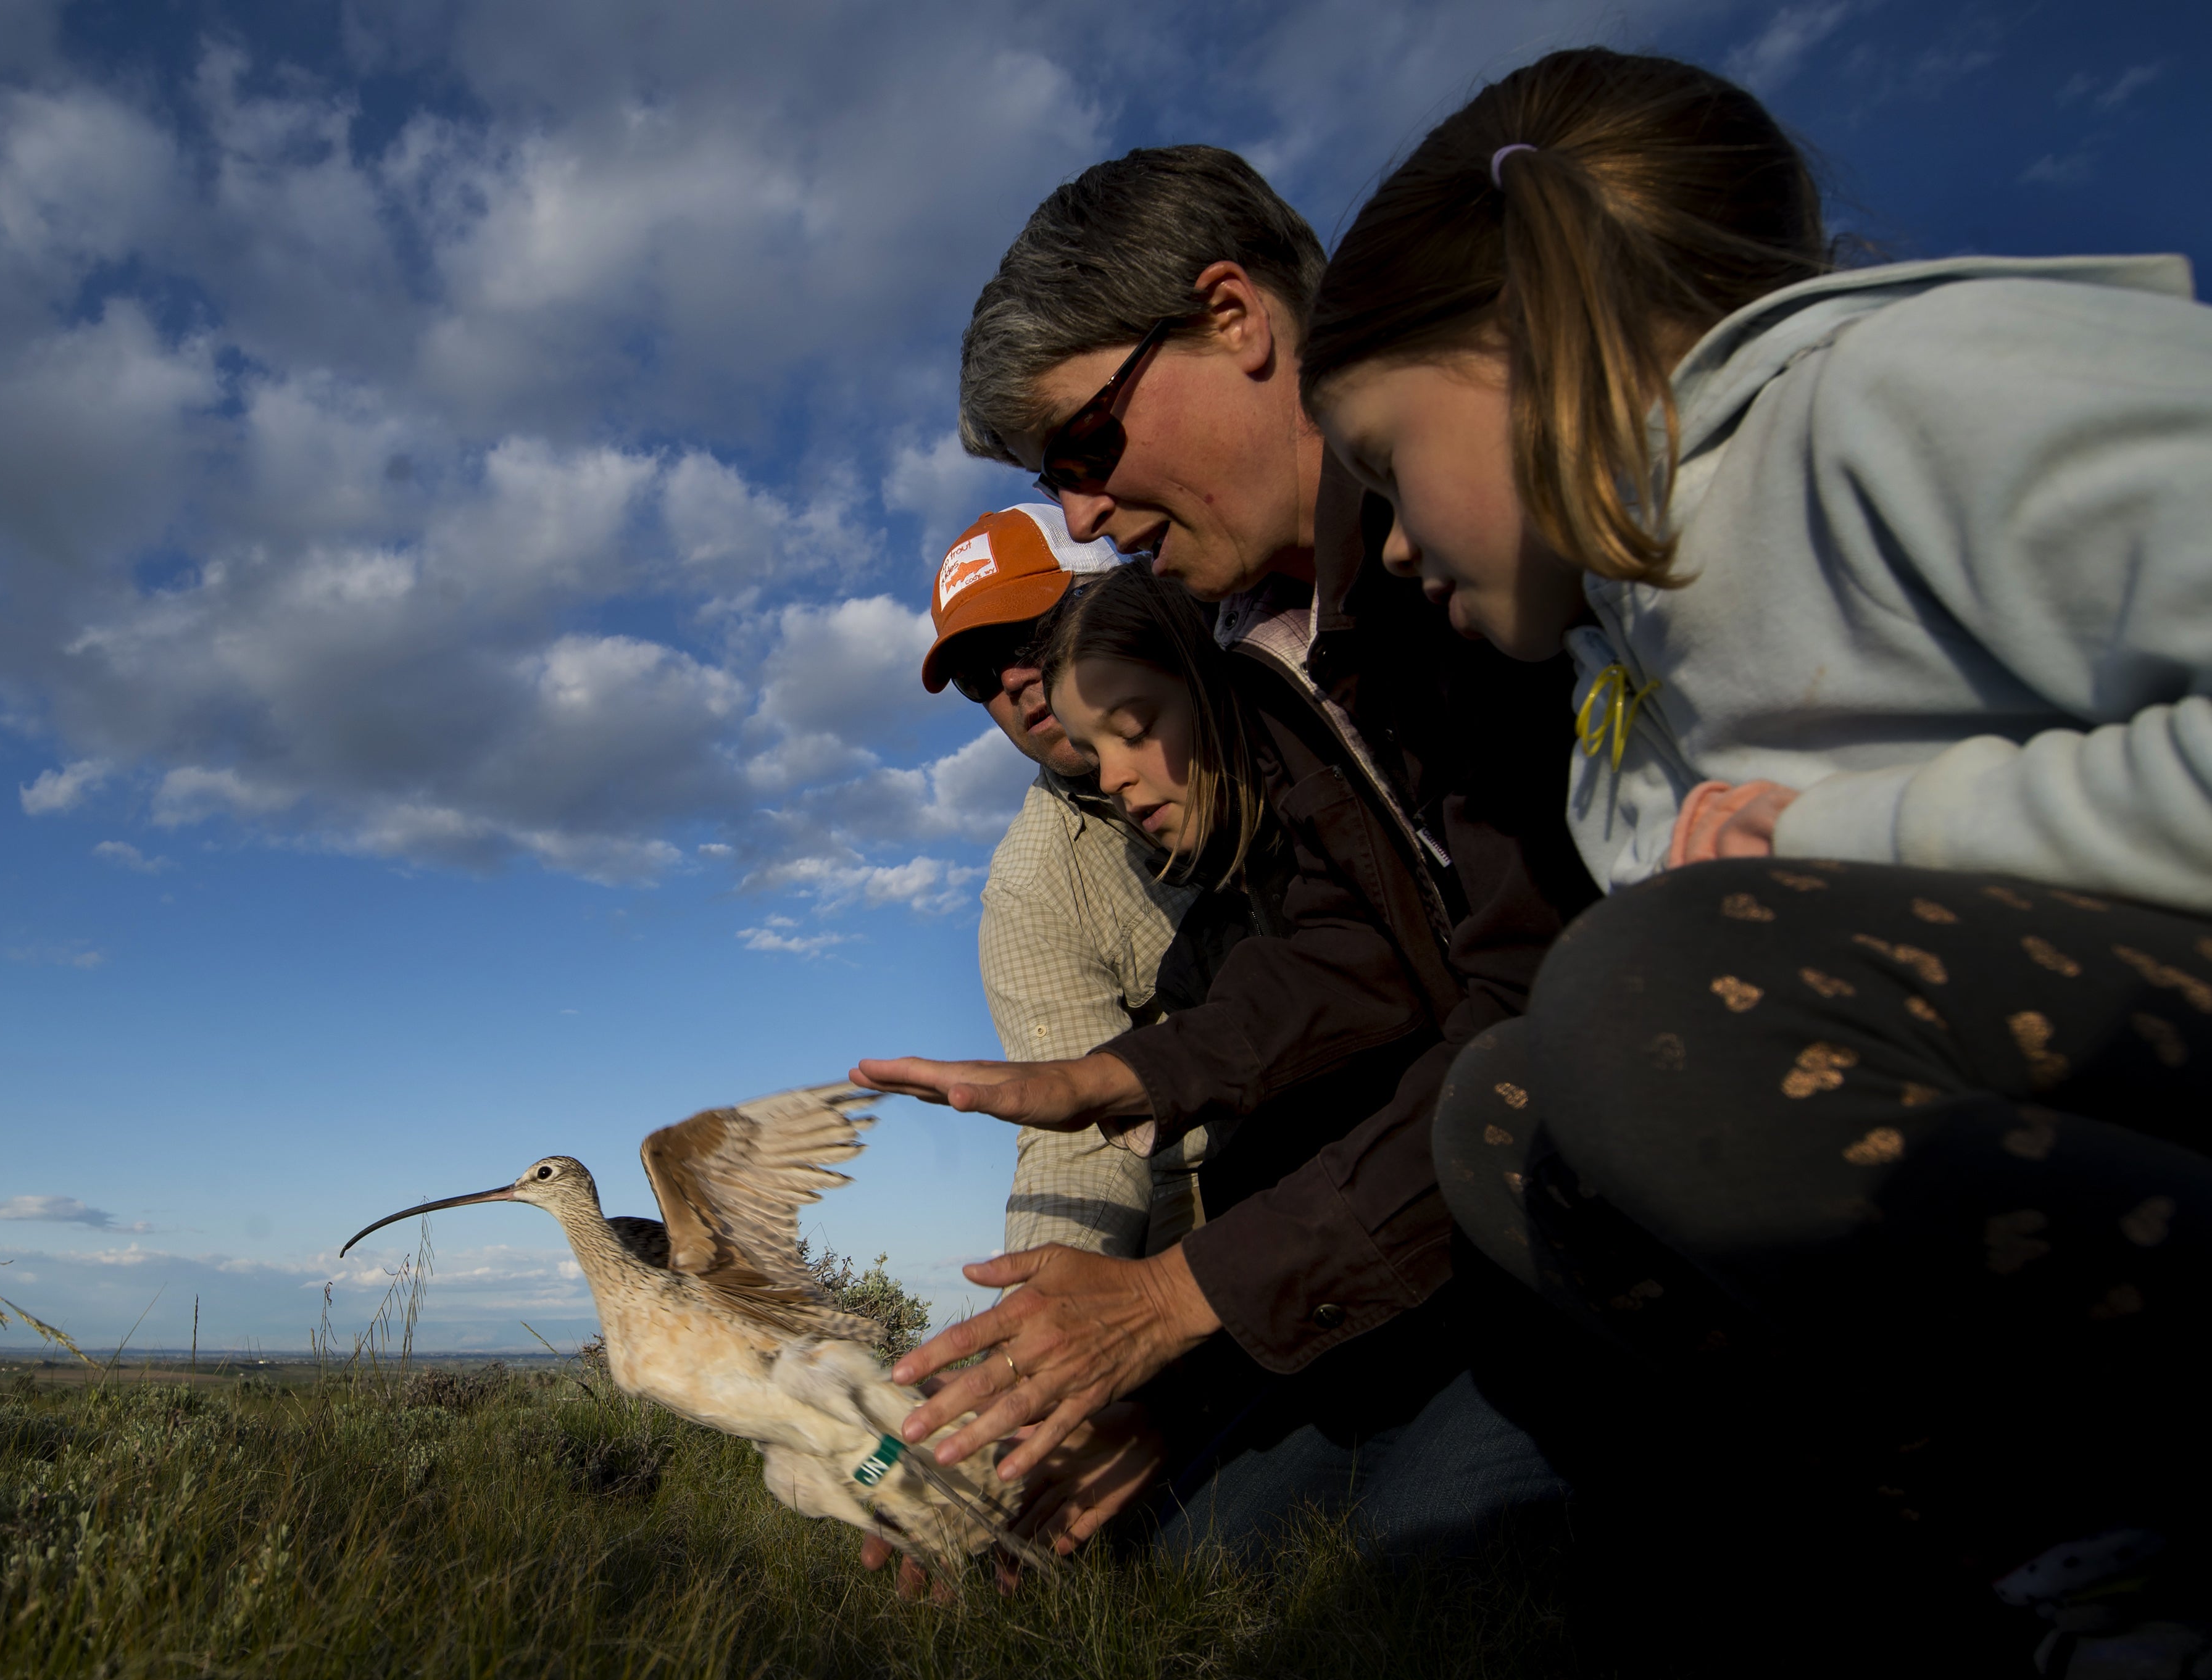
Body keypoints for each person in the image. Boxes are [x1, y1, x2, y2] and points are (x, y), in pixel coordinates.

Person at [1295, 44, 2212, 1665]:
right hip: (2077, 1087)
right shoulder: (1618, 685)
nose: (1381, 543)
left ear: (1525, 339)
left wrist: (1849, 837)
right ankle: (2074, 1571)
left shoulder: (1901, 397)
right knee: (1511, 1110)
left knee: (1650, 988)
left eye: (1382, 463)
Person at [854, 144, 1596, 1561]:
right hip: (1375, 1210)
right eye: (984, 678)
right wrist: (1059, 1347)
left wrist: (1177, 1304)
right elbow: (1330, 965)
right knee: (1205, 1545)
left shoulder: (1423, 565)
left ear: (1237, 319)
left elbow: (1519, 995)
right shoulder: (1078, 842)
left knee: (1440, 1542)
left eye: (1083, 451)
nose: (1080, 509)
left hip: (1538, 1188)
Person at [920, 502, 1214, 1260]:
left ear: (1119, 594)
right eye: (982, 672)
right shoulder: (1030, 888)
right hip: (1220, 1178)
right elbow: (1078, 1137)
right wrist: (1042, 1299)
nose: (1016, 678)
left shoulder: (1277, 686)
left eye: (1033, 636)